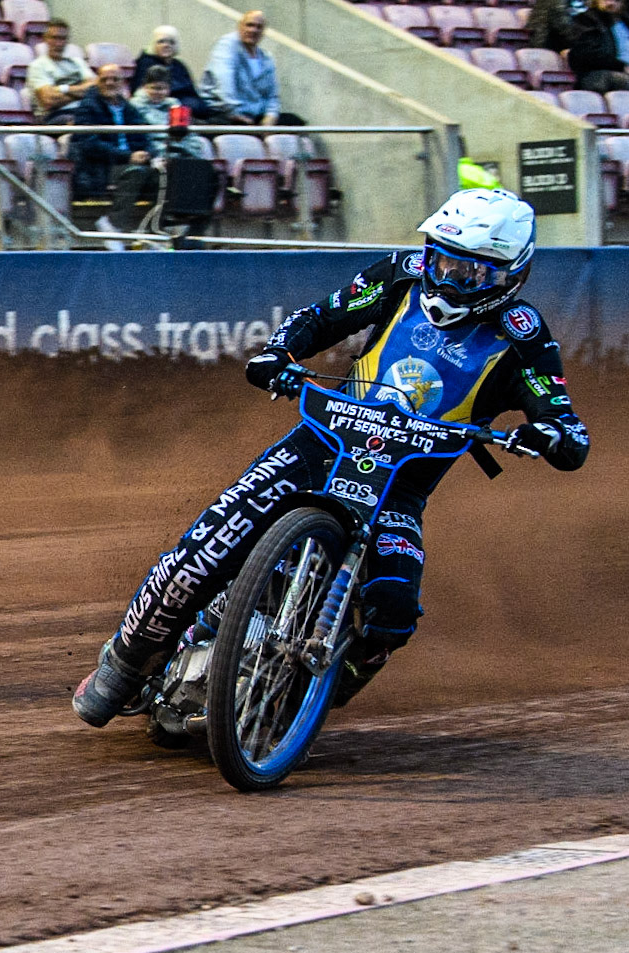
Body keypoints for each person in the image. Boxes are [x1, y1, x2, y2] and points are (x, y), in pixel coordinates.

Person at [72, 188, 590, 728]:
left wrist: (550, 435)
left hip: (399, 488)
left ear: (512, 276)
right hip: (319, 445)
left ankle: (300, 700)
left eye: (471, 273)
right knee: (203, 552)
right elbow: (321, 317)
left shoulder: (524, 336)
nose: (448, 279)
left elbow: (563, 419)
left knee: (392, 612)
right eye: (442, 260)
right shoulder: (400, 275)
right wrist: (278, 353)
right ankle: (123, 665)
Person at [202, 9, 301, 126]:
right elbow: (223, 84)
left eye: (259, 27)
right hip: (224, 113)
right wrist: (235, 113)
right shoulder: (227, 46)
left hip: (254, 116)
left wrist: (270, 117)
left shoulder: (266, 58)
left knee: (294, 121)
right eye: (249, 25)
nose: (253, 30)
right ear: (240, 27)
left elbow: (272, 96)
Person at [71, 64, 151, 199]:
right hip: (102, 168)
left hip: (132, 163)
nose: (109, 83)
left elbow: (144, 136)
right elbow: (90, 145)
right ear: (97, 82)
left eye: (115, 79)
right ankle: (116, 214)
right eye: (104, 79)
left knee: (167, 174)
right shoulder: (87, 107)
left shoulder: (129, 108)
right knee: (135, 173)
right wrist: (128, 156)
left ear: (122, 83)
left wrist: (147, 155)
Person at [130, 66, 212, 160]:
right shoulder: (134, 105)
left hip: (179, 147)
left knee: (200, 144)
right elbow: (143, 138)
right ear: (144, 87)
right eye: (154, 88)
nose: (158, 92)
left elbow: (188, 133)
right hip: (153, 150)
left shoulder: (174, 104)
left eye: (162, 89)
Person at [130, 25, 211, 120]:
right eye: (161, 42)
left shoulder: (179, 65)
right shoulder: (145, 63)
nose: (166, 45)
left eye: (171, 42)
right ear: (153, 44)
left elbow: (191, 91)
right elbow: (144, 92)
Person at [26, 18, 96, 123]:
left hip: (85, 111)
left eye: (62, 39)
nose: (58, 44)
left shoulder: (78, 62)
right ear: (45, 39)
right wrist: (82, 92)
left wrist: (63, 89)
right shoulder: (38, 66)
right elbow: (49, 100)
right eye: (54, 38)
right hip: (55, 116)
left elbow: (95, 88)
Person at [567, 0, 629, 93]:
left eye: (616, 0)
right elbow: (586, 55)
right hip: (597, 75)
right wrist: (622, 66)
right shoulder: (586, 20)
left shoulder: (625, 22)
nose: (610, 3)